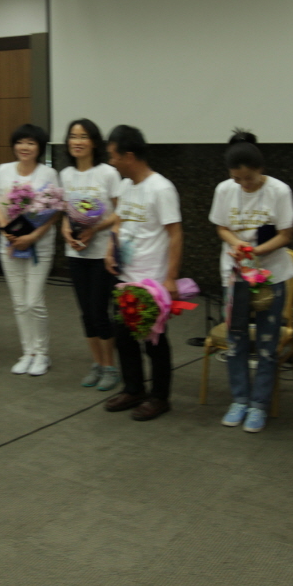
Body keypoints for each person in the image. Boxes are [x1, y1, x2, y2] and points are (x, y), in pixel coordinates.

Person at [210, 130, 293, 434]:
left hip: (271, 277)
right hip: (235, 277)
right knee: (236, 340)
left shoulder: (279, 191)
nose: (243, 184)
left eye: (248, 178)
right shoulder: (224, 190)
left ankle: (259, 404)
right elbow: (221, 227)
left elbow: (286, 234)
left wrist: (257, 252)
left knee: (268, 343)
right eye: (237, 179)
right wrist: (238, 245)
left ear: (260, 169)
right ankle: (240, 399)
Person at [103, 125, 183, 422]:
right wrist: (110, 249)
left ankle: (160, 397)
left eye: (113, 156)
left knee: (153, 342)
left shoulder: (161, 188)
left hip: (151, 281)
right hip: (126, 277)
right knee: (123, 338)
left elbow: (175, 234)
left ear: (129, 156)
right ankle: (134, 389)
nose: (111, 162)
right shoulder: (125, 186)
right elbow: (119, 222)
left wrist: (170, 277)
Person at [0, 125, 61, 376]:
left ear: (39, 147)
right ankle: (27, 352)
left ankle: (42, 354)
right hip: (9, 245)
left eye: (31, 143)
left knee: (34, 302)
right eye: (20, 142)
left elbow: (55, 211)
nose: (25, 147)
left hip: (38, 246)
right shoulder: (3, 170)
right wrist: (4, 229)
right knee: (20, 304)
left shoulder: (48, 173)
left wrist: (32, 236)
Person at [59, 119, 122, 391]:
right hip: (76, 252)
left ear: (94, 142)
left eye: (83, 136)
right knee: (85, 312)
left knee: (99, 311)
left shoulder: (108, 173)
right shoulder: (66, 175)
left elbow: (121, 213)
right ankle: (97, 363)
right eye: (73, 136)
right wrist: (65, 229)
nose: (77, 141)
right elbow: (66, 211)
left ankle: (110, 367)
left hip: (101, 254)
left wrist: (95, 229)